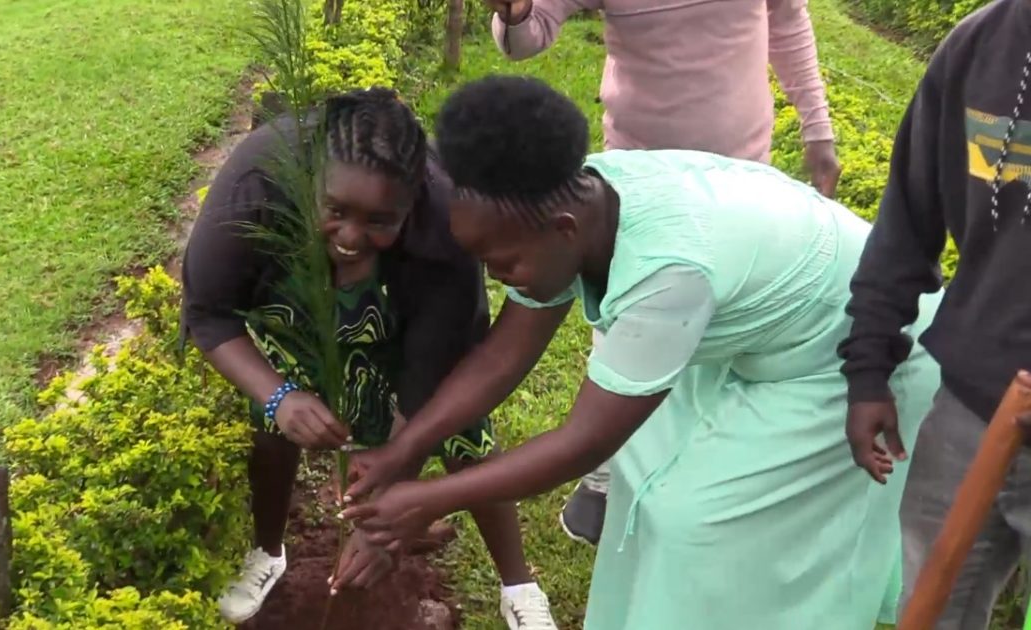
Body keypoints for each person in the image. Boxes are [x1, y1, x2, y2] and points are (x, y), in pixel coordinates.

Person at [339, 74, 942, 628]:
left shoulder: (666, 269)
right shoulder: (566, 199)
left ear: (563, 230)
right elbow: (502, 357)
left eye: (502, 264)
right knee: (641, 483)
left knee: (696, 523)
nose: (497, 279)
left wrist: (429, 499)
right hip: (759, 333)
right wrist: (405, 450)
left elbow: (583, 442)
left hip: (861, 352)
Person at [180, 87, 557, 629]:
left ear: (412, 202)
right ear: (313, 181)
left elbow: (440, 357)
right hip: (297, 298)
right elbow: (208, 313)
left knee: (462, 430)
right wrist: (281, 397)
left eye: (380, 220)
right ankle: (268, 552)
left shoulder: (445, 217)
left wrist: (393, 479)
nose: (351, 237)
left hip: (407, 310)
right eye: (336, 211)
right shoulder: (257, 183)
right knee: (273, 420)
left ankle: (518, 586)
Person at [482, 0, 843, 544]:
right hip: (641, 179)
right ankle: (606, 477)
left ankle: (692, 463)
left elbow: (788, 20)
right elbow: (528, 36)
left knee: (721, 320)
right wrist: (513, 15)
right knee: (631, 308)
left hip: (739, 170)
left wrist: (817, 128)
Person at [836, 0, 1031, 626]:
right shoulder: (982, 44)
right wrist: (868, 367)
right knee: (931, 606)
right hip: (971, 411)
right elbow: (906, 217)